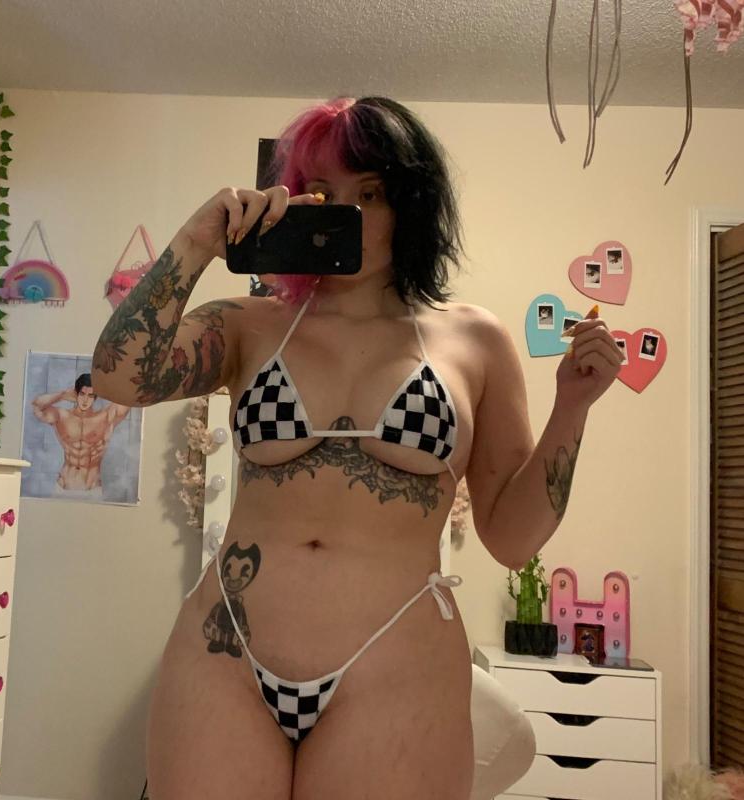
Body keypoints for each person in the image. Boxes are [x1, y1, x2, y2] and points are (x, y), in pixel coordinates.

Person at [91, 96, 624, 800]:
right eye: (323, 193)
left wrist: (573, 407)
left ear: (412, 204)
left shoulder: (475, 340)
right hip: (225, 655)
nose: (346, 212)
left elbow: (513, 538)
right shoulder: (248, 326)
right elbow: (120, 377)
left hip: (396, 670)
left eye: (370, 193)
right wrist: (196, 241)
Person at [31, 372, 130, 500]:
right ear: (76, 393)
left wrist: (105, 386)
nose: (85, 400)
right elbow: (36, 406)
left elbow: (129, 398)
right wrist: (62, 395)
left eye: (90, 395)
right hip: (63, 488)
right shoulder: (62, 416)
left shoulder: (105, 417)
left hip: (92, 489)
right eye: (82, 394)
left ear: (96, 397)